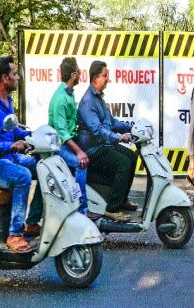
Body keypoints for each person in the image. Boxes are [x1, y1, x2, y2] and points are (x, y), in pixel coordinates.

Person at [0, 56, 43, 253]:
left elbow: (13, 131)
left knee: (41, 167)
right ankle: (15, 234)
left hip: (5, 157)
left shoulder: (7, 100)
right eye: (14, 74)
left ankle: (31, 221)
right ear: (4, 78)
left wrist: (34, 135)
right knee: (23, 176)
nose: (17, 78)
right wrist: (11, 146)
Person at [77, 60, 138, 222]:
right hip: (93, 151)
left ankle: (122, 198)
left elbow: (112, 122)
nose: (107, 79)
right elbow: (97, 131)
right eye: (105, 76)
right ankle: (112, 209)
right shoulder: (88, 102)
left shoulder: (99, 99)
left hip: (103, 146)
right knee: (123, 163)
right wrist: (119, 137)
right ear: (95, 78)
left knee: (132, 156)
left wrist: (131, 128)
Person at [48, 57, 89, 216]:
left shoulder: (69, 94)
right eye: (78, 71)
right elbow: (63, 133)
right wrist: (79, 152)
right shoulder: (60, 98)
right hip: (59, 146)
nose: (80, 74)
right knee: (81, 163)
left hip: (69, 140)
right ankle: (82, 208)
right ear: (73, 75)